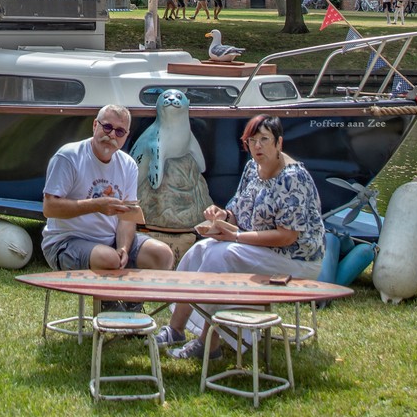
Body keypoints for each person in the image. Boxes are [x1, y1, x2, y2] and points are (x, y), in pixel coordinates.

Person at [158, 114, 325, 359]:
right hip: (259, 249)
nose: (257, 147)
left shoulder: (293, 179)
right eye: (252, 141)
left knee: (221, 255)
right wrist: (221, 215)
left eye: (264, 140)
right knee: (200, 249)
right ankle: (176, 329)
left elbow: (287, 236)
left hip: (295, 259)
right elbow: (237, 211)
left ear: (279, 143)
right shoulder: (252, 169)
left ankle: (209, 343)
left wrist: (236, 237)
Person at [41, 105, 175, 274]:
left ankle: (131, 301)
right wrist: (96, 205)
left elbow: (127, 216)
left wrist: (124, 248)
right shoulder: (69, 156)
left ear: (126, 136)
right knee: (109, 259)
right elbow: (49, 208)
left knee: (162, 255)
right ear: (95, 125)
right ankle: (112, 301)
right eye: (107, 127)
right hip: (66, 241)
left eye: (119, 132)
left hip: (110, 241)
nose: (112, 134)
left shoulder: (128, 165)